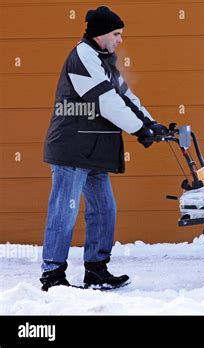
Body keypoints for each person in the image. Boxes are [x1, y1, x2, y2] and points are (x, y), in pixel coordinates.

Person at [40, 6, 166, 291]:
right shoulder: (83, 56)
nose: (121, 39)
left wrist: (150, 123)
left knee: (104, 209)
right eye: (116, 34)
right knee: (65, 211)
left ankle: (96, 269)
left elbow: (125, 95)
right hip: (71, 148)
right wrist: (139, 130)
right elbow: (106, 102)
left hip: (94, 150)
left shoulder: (104, 60)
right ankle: (53, 275)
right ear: (100, 35)